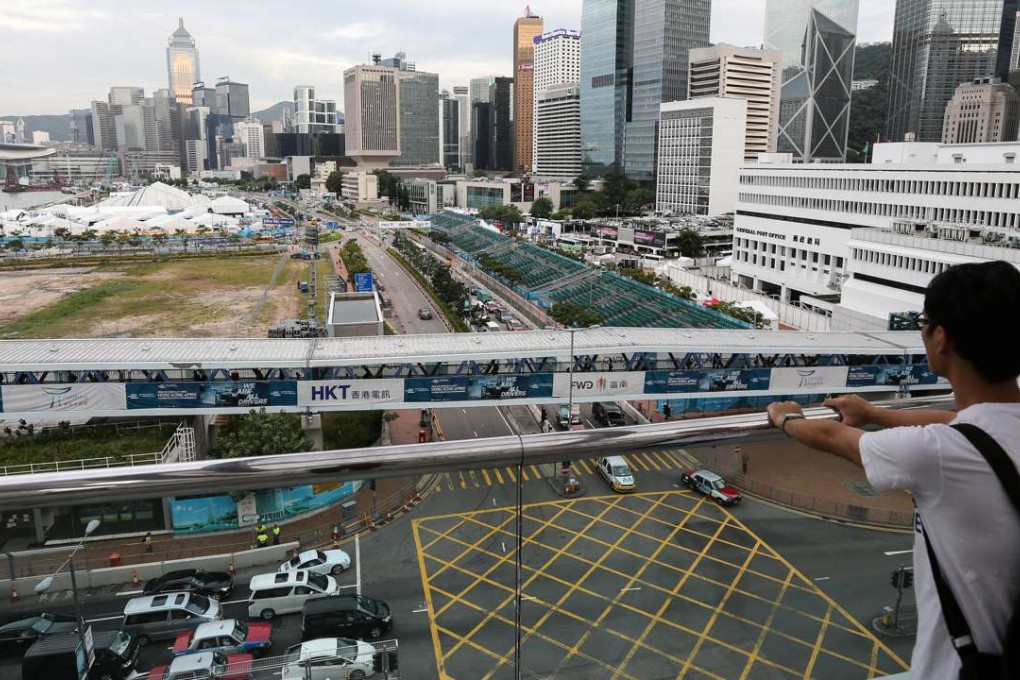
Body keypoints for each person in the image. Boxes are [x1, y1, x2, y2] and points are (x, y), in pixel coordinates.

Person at [766, 261, 1020, 679]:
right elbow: (958, 422)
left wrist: (786, 418)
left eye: (925, 323)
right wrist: (875, 414)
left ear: (941, 338)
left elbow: (835, 439)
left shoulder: (937, 454)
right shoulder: (977, 434)